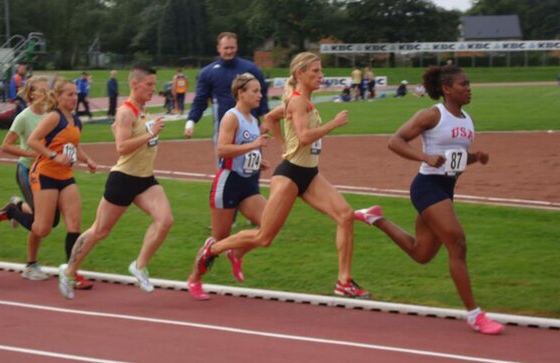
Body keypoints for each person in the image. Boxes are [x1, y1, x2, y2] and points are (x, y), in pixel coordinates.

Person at [189, 52, 369, 300]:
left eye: (320, 70)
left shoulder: (301, 101)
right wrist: (333, 124)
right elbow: (305, 137)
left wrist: (284, 143)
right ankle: (214, 249)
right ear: (300, 74)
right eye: (315, 71)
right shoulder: (296, 102)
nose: (320, 75)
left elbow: (272, 118)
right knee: (264, 238)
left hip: (310, 173)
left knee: (346, 216)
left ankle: (344, 281)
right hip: (291, 175)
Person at [353, 65, 504, 335]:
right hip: (427, 187)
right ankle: (475, 315)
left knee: (421, 254)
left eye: (469, 84)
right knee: (457, 243)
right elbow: (395, 141)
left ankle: (375, 217)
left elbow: (453, 157)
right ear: (447, 89)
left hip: (446, 189)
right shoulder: (432, 115)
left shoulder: (467, 120)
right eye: (463, 84)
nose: (468, 88)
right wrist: (424, 157)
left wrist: (475, 157)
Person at [58, 64, 172, 300]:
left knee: (165, 220)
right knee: (100, 230)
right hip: (123, 179)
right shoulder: (126, 111)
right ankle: (69, 270)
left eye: (154, 84)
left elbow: (124, 133)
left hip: (145, 179)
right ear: (134, 84)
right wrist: (150, 134)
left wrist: (144, 132)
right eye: (149, 85)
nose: (153, 89)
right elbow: (121, 147)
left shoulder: (142, 112)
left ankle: (139, 266)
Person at [186, 73, 270, 300]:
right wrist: (254, 144)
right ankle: (194, 279)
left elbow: (243, 149)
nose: (259, 95)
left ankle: (238, 252)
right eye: (255, 91)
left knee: (270, 225)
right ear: (241, 93)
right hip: (229, 182)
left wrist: (257, 159)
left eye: (260, 91)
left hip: (248, 183)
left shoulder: (252, 120)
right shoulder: (231, 117)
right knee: (218, 240)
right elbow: (222, 150)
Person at [9, 78, 97, 288]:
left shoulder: (76, 121)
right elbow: (33, 141)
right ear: (57, 97)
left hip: (66, 176)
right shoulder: (53, 117)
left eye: (75, 94)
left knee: (74, 225)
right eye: (69, 94)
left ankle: (71, 273)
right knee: (43, 229)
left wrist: (88, 160)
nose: (74, 98)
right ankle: (13, 210)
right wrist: (53, 156)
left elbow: (73, 145)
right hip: (44, 174)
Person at [0, 76, 63, 281]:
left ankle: (16, 206)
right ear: (31, 94)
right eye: (41, 90)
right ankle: (31, 265)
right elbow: (6, 146)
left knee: (53, 221)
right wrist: (34, 154)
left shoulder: (51, 115)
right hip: (27, 172)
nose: (46, 94)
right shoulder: (24, 117)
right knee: (41, 223)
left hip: (47, 173)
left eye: (47, 89)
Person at [184, 32, 269, 146]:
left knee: (253, 162)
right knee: (227, 161)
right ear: (218, 48)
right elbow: (200, 100)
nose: (229, 51)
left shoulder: (251, 68)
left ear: (237, 47)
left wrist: (266, 119)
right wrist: (190, 122)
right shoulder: (207, 73)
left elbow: (262, 93)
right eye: (226, 48)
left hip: (250, 127)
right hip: (224, 129)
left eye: (232, 47)